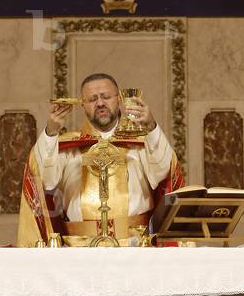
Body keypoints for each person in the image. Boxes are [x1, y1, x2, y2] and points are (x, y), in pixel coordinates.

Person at [17, 72, 183, 246]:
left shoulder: (140, 142)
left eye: (106, 97)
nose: (100, 103)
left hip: (135, 245)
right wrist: (51, 132)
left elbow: (163, 172)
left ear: (118, 98)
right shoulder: (66, 147)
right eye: (92, 99)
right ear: (83, 104)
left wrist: (150, 126)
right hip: (79, 248)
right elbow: (45, 181)